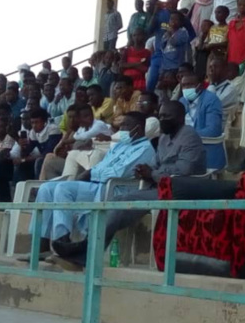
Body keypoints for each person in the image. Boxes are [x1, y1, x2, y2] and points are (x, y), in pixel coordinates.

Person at [50, 101, 206, 268]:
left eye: (167, 116)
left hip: (179, 189)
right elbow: (156, 164)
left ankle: (86, 251)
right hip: (159, 187)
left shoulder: (189, 136)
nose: (162, 120)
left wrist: (152, 173)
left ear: (181, 117)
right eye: (160, 116)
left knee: (119, 203)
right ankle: (84, 249)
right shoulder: (163, 138)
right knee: (118, 201)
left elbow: (185, 169)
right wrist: (145, 171)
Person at [29, 112, 156, 259]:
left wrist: (90, 173)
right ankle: (40, 247)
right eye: (121, 125)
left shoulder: (145, 149)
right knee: (46, 188)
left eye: (126, 125)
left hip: (114, 189)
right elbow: (102, 167)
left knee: (63, 189)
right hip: (96, 184)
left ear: (138, 129)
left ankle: (61, 243)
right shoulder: (120, 145)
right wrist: (92, 173)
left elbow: (116, 173)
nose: (121, 129)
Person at [179, 72, 225, 170]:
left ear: (199, 86)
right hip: (184, 151)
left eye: (190, 85)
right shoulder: (182, 101)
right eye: (183, 86)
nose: (186, 89)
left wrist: (187, 135)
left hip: (206, 151)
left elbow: (213, 131)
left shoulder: (211, 100)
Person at [206, 54, 239, 128]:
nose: (212, 70)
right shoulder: (212, 86)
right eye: (210, 67)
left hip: (219, 127)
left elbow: (212, 105)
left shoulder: (231, 88)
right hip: (207, 123)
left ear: (225, 70)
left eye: (216, 67)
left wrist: (211, 83)